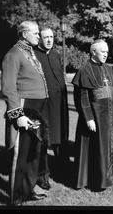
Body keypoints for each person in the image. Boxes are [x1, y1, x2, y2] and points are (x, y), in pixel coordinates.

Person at [1, 21, 48, 206]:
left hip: (37, 108)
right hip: (24, 108)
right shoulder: (13, 54)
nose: (39, 36)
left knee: (33, 153)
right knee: (20, 155)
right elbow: (8, 87)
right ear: (23, 34)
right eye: (35, 33)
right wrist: (18, 115)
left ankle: (28, 191)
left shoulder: (30, 52)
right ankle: (15, 196)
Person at [71, 39, 113, 190]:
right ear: (93, 52)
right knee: (98, 149)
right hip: (96, 117)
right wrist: (88, 118)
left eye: (107, 52)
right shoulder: (84, 71)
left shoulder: (109, 68)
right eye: (103, 52)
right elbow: (82, 99)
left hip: (111, 115)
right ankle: (100, 180)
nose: (106, 55)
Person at [33, 27, 70, 187]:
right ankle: (43, 177)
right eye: (45, 37)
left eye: (51, 37)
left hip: (60, 105)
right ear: (40, 39)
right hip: (44, 106)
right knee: (43, 140)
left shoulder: (55, 54)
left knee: (61, 138)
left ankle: (64, 172)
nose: (49, 40)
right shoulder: (34, 55)